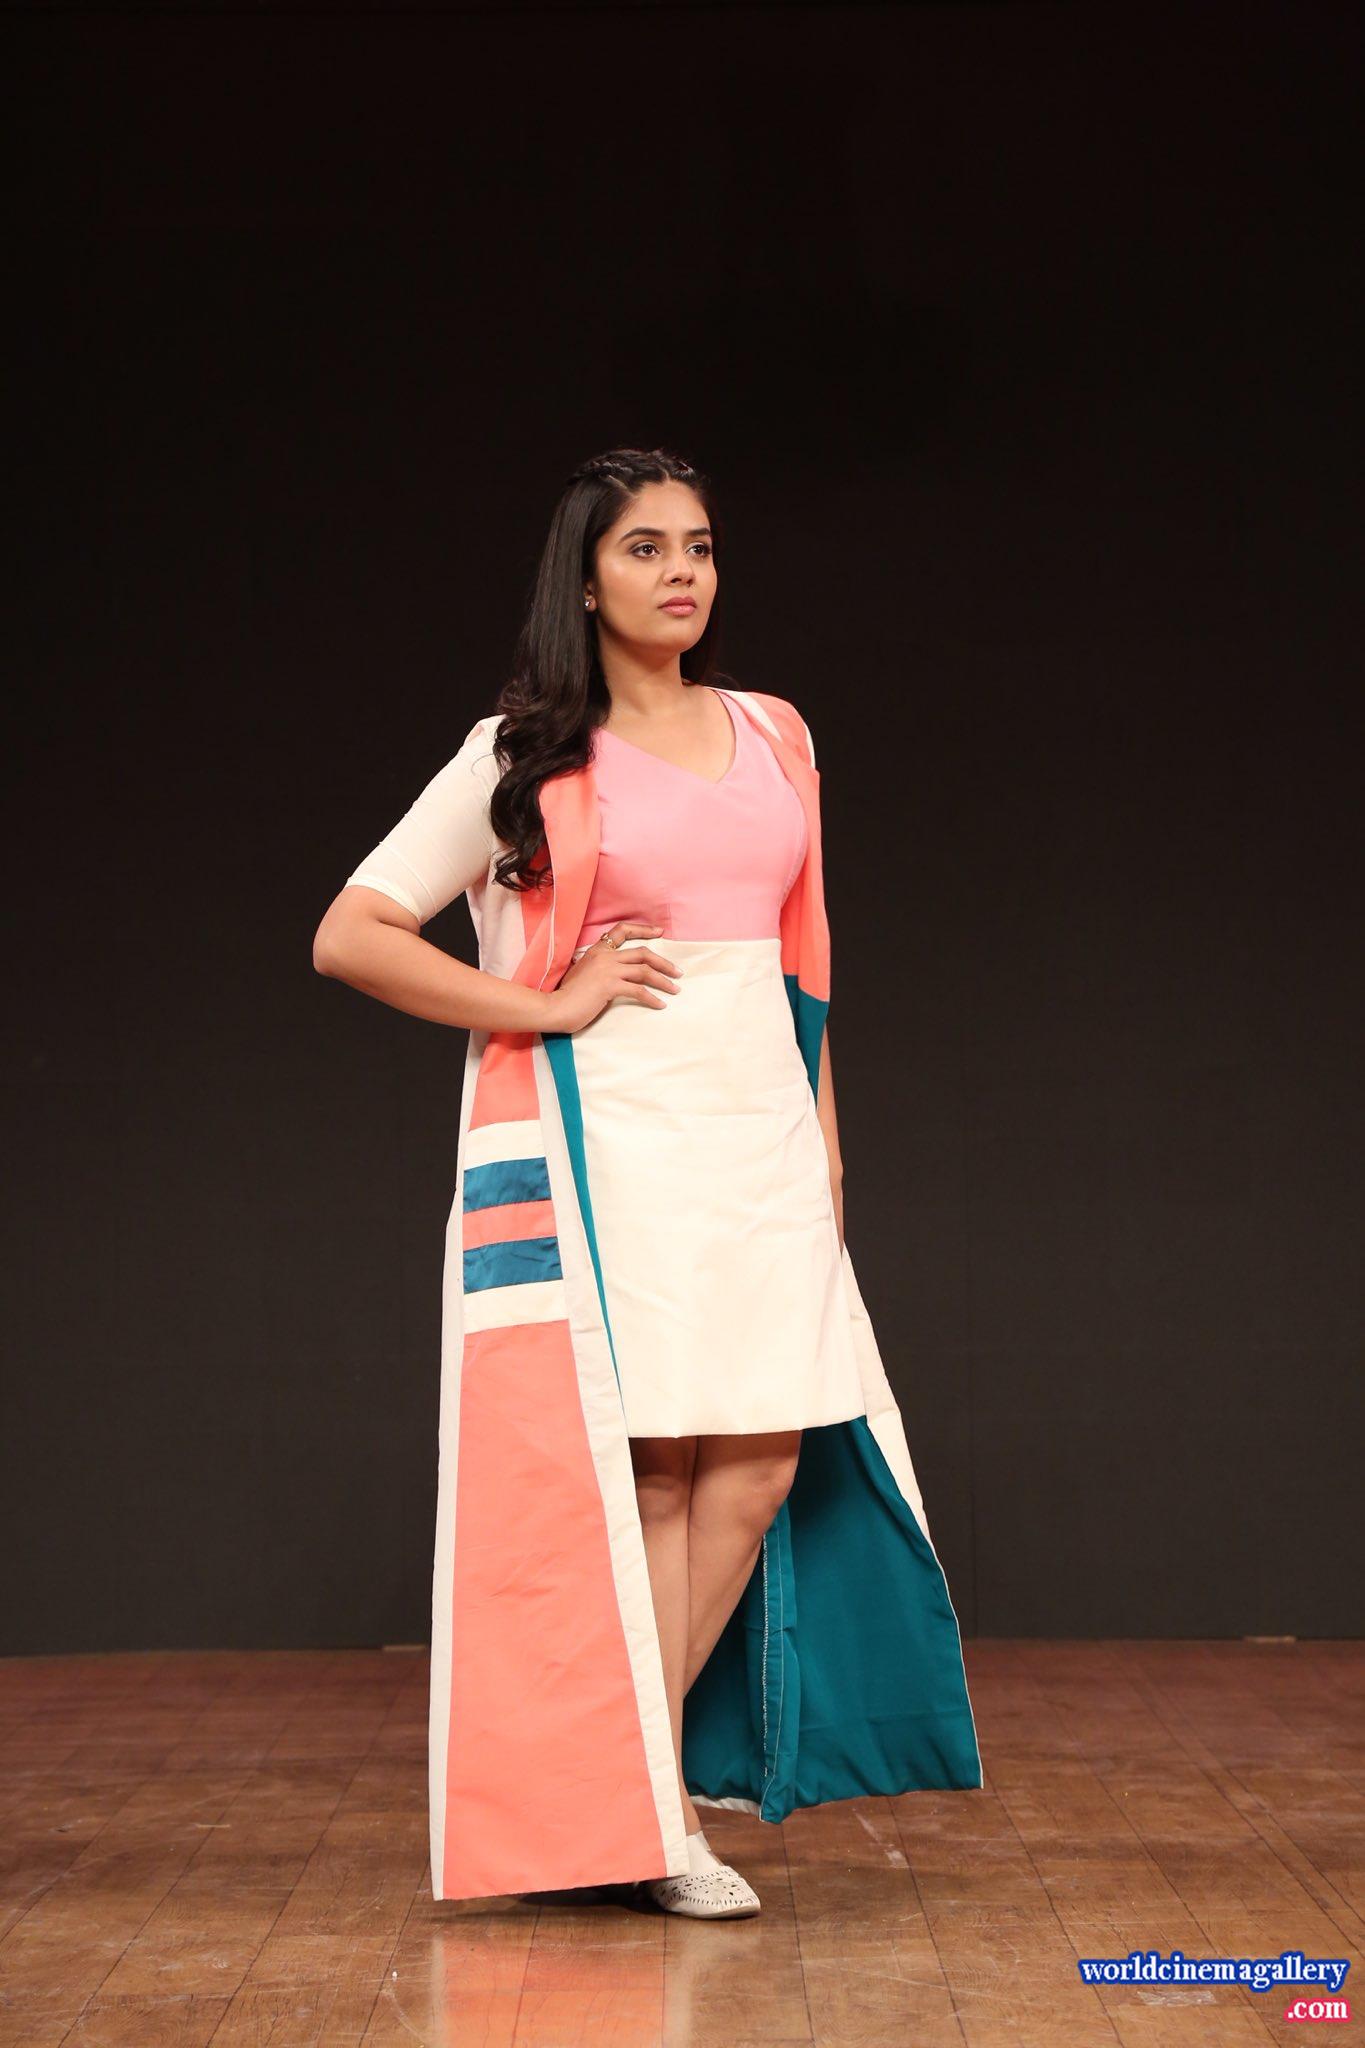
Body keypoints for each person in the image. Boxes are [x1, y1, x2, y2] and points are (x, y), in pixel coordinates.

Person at [313, 447, 981, 1919]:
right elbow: (351, 933)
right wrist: (544, 1004)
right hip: (614, 1138)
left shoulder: (776, 732)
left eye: (699, 546)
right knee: (658, 1473)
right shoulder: (523, 753)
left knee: (759, 1466)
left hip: (760, 1139)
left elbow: (800, 966)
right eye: (644, 548)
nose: (681, 572)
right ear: (584, 579)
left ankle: (623, 1794)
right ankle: (655, 1815)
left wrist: (825, 1146)